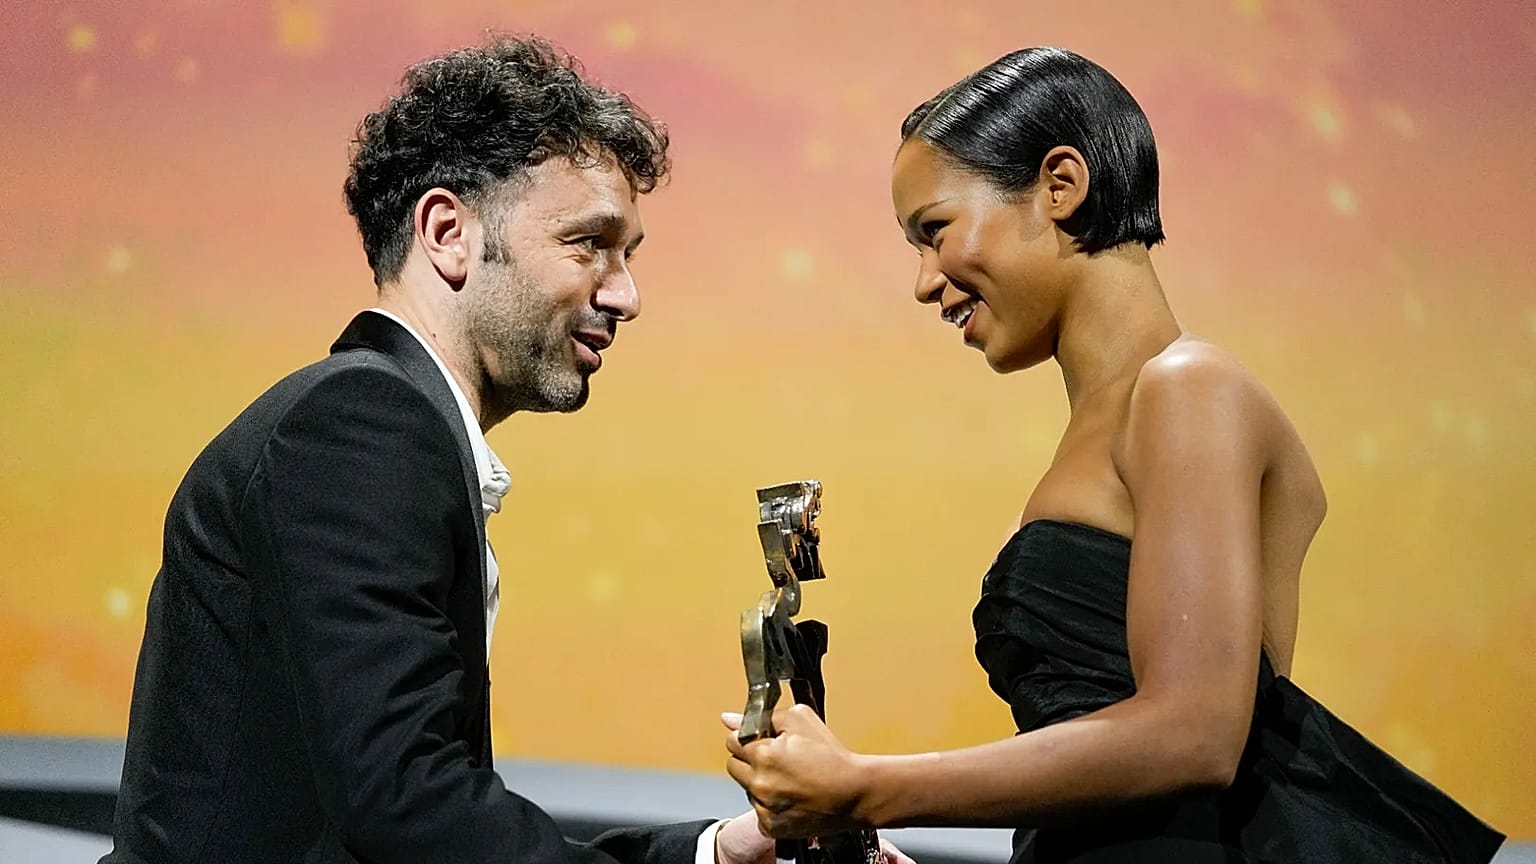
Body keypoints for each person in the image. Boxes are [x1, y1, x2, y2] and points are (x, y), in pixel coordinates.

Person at [723, 47, 1506, 863]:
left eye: (935, 231)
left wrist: (867, 787)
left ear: (1061, 186)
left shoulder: (1188, 388)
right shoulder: (1117, 422)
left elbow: (1194, 734)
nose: (925, 281)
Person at [101, 35, 779, 864]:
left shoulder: (374, 421)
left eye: (628, 254)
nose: (625, 294)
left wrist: (713, 853)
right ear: (448, 232)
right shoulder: (361, 421)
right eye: (588, 243)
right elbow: (407, 803)